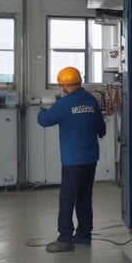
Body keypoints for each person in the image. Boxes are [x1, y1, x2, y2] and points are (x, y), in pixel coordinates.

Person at [37, 66, 106, 253]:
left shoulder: (64, 104)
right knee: (84, 196)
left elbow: (45, 121)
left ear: (63, 85)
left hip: (73, 160)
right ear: (79, 82)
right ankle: (84, 234)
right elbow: (101, 129)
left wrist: (41, 110)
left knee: (67, 198)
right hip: (91, 158)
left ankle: (65, 238)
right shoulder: (91, 100)